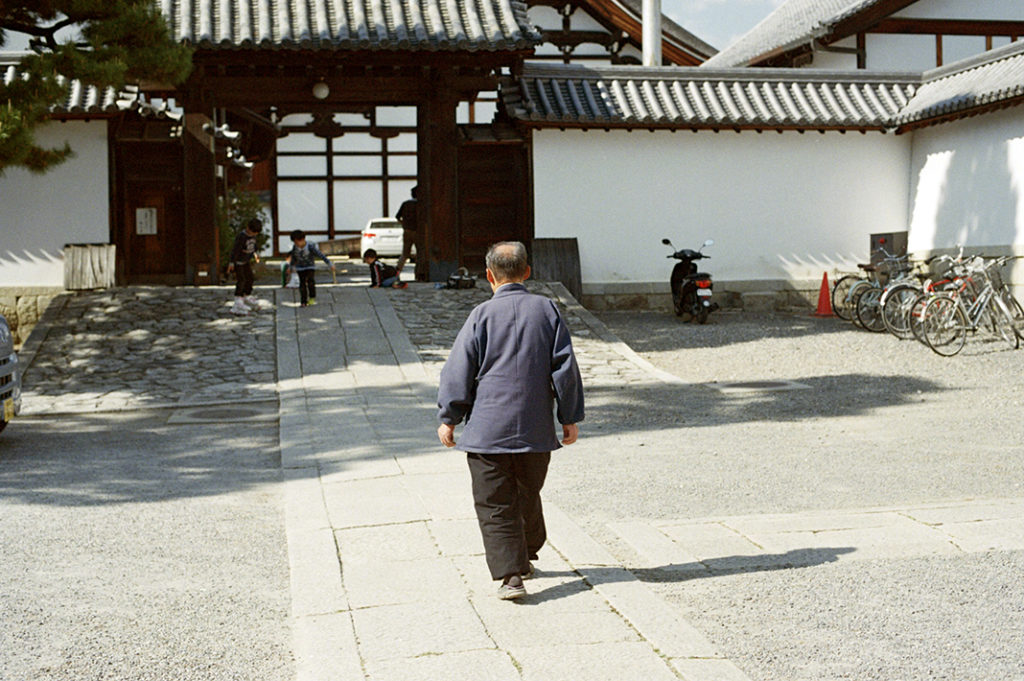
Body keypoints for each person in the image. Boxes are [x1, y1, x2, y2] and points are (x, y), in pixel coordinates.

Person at [436, 241, 585, 600]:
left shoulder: (481, 315)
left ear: (489, 275)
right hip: (535, 426)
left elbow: (459, 369)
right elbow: (565, 368)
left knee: (495, 502)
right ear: (527, 272)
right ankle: (528, 549)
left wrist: (449, 417)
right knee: (526, 491)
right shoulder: (547, 310)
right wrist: (569, 417)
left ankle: (511, 576)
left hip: (489, 428)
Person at [286, 229, 335, 307]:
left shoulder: (310, 246)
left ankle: (312, 296)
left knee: (310, 281)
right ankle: (303, 301)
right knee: (302, 284)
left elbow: (320, 255)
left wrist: (329, 263)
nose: (297, 244)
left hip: (310, 266)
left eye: (297, 242)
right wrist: (290, 267)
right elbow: (294, 258)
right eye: (295, 242)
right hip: (300, 268)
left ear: (303, 239)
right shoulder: (295, 247)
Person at [227, 218, 262, 316]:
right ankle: (238, 300)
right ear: (247, 228)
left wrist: (256, 254)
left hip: (246, 261)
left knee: (250, 278)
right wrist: (231, 263)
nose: (253, 235)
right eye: (252, 233)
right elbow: (235, 250)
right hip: (238, 262)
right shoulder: (241, 237)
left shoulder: (254, 236)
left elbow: (255, 246)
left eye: (255, 234)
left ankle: (246, 295)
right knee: (241, 280)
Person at [395, 186, 419, 277]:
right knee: (420, 253)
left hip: (407, 231)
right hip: (418, 232)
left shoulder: (405, 204)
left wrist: (404, 224)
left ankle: (397, 272)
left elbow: (397, 216)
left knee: (405, 253)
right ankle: (418, 274)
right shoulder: (420, 205)